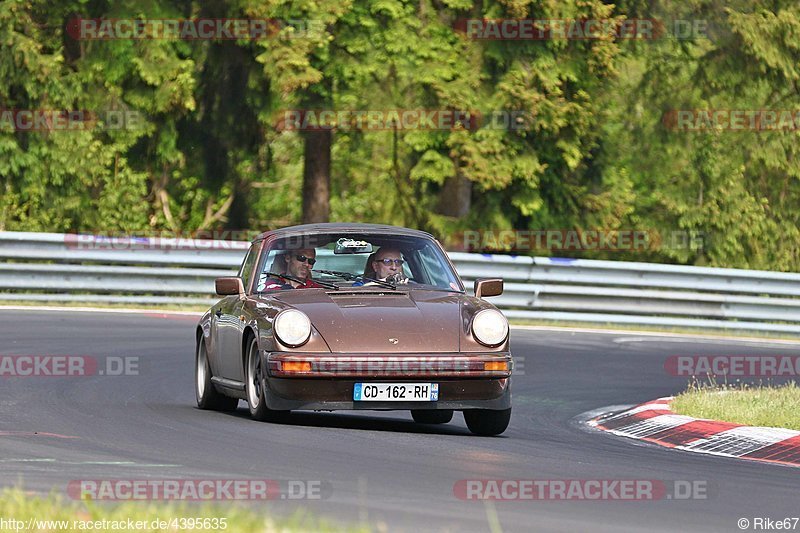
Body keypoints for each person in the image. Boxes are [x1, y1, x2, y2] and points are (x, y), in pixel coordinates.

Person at [257, 248, 322, 291]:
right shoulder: (270, 287)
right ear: (288, 258)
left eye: (311, 261)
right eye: (301, 258)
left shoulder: (317, 289)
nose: (306, 264)